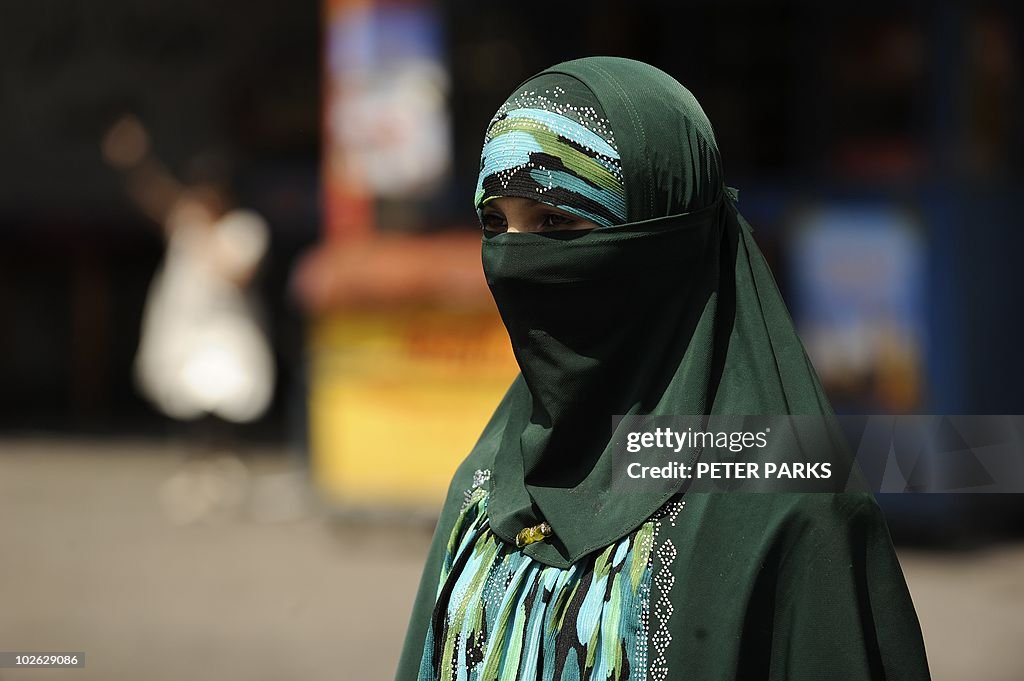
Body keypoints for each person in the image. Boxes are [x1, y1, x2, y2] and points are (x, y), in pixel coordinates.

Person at [396, 57, 930, 681]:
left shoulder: (793, 512)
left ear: (667, 239)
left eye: (557, 223)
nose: (516, 259)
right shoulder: (488, 486)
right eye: (495, 223)